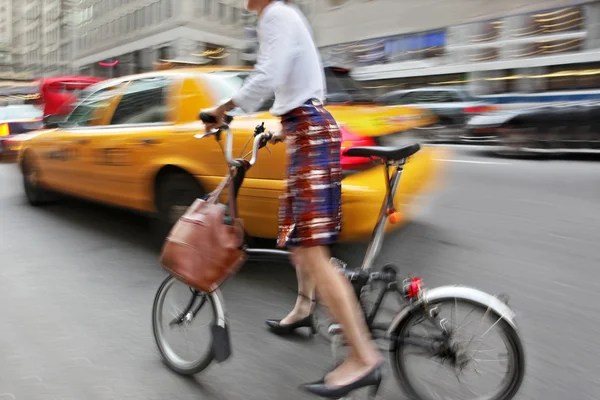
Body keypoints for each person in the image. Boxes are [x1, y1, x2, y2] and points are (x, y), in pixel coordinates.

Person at [201, 0, 383, 398]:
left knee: (313, 252)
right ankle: (303, 310)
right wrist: (282, 129)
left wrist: (223, 108)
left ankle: (363, 357)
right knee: (299, 243)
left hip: (310, 132)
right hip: (304, 129)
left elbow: (270, 73)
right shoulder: (283, 17)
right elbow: (300, 89)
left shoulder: (275, 15)